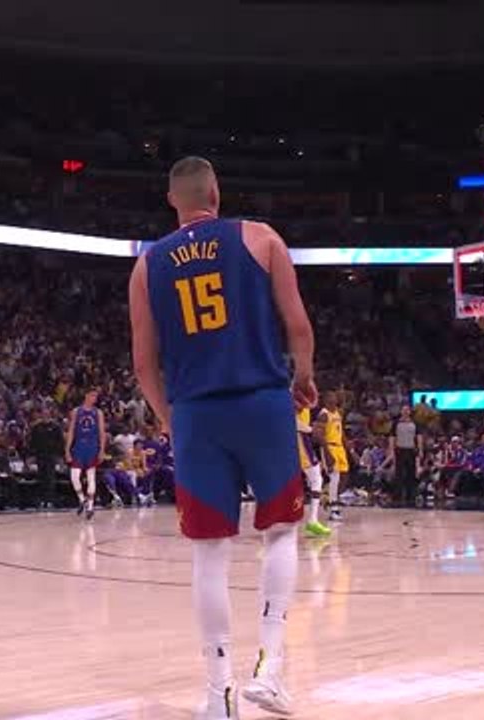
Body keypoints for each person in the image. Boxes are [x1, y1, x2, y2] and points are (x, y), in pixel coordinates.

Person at [129, 156, 314, 719]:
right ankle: (270, 668)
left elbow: (144, 364)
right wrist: (302, 377)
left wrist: (169, 417)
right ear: (217, 192)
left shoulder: (146, 265)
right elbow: (298, 325)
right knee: (281, 532)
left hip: (195, 416)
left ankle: (218, 695)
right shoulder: (259, 238)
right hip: (260, 402)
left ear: (172, 201)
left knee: (209, 553)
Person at [65, 388, 105, 520]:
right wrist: (67, 449)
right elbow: (71, 431)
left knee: (91, 476)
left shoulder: (98, 413)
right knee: (74, 476)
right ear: (86, 395)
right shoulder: (77, 411)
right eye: (93, 395)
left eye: (96, 396)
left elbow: (102, 433)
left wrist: (101, 450)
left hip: (92, 445)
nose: (95, 398)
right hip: (79, 446)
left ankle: (90, 506)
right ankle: (82, 499)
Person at [298, 403, 331, 537]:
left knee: (315, 478)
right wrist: (310, 430)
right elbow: (291, 420)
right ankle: (312, 521)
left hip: (298, 438)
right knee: (316, 478)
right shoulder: (294, 397)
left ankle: (272, 520)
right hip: (299, 438)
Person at [317, 391, 349, 521]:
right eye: (331, 396)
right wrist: (327, 452)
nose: (334, 398)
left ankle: (327, 495)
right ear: (326, 400)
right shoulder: (324, 414)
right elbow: (319, 436)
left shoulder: (338, 413)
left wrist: (350, 451)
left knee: (344, 476)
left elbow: (341, 433)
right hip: (329, 447)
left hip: (339, 447)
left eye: (335, 397)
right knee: (334, 477)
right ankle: (333, 509)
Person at [390, 405, 420, 507]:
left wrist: (420, 450)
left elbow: (419, 437)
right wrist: (391, 451)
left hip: (411, 449)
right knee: (399, 473)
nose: (406, 412)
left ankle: (411, 495)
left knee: (411, 473)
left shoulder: (415, 423)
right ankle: (397, 495)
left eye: (407, 410)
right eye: (404, 410)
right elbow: (392, 438)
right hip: (400, 449)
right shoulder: (396, 423)